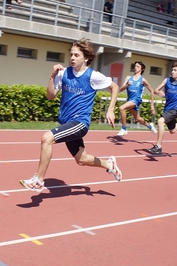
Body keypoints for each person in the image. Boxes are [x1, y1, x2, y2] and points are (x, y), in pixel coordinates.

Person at [19, 38, 122, 192]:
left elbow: (114, 87)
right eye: (71, 55)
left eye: (76, 55)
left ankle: (39, 180)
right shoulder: (64, 73)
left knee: (46, 138)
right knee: (82, 159)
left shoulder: (92, 76)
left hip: (80, 123)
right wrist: (52, 76)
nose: (72, 58)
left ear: (86, 58)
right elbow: (51, 95)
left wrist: (111, 109)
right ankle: (109, 164)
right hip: (67, 122)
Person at [148, 62, 177, 154]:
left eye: (175, 70)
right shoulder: (166, 81)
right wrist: (159, 92)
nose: (172, 72)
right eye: (172, 70)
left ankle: (158, 146)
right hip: (168, 108)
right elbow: (156, 90)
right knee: (172, 131)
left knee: (160, 121)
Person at [116, 61, 157, 136]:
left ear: (142, 69)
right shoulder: (128, 78)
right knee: (138, 119)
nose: (135, 68)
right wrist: (127, 85)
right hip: (130, 100)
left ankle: (124, 129)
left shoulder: (143, 80)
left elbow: (152, 91)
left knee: (121, 108)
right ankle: (150, 126)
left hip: (136, 100)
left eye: (138, 66)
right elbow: (121, 89)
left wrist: (152, 105)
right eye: (135, 66)